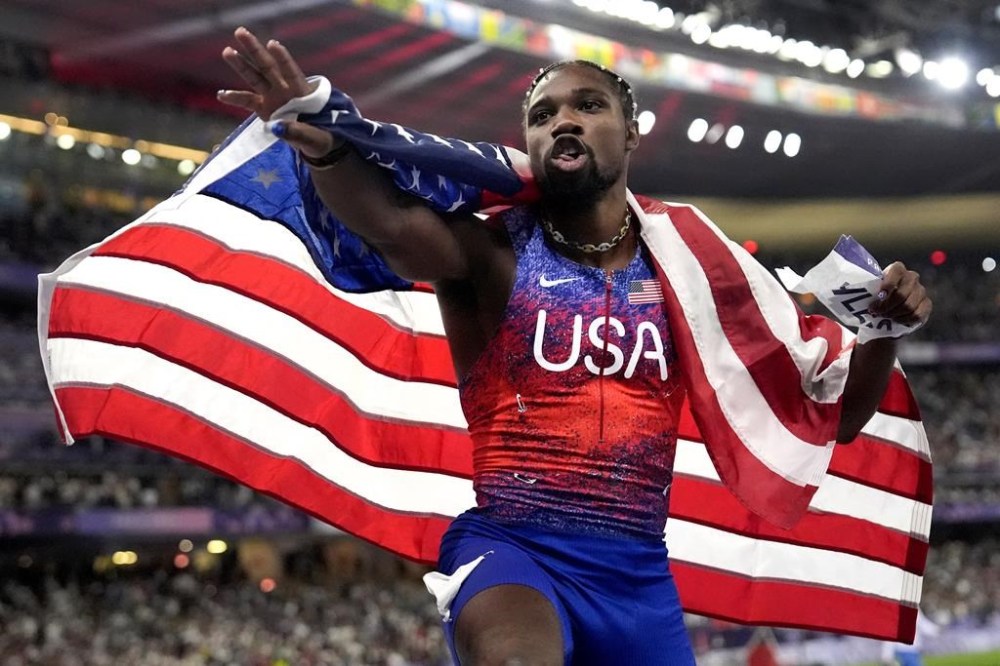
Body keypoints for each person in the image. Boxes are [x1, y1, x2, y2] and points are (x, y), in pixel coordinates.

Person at [217, 27, 932, 665]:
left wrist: (880, 332)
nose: (563, 119)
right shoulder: (492, 253)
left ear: (631, 134)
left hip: (638, 581)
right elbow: (393, 227)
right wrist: (331, 145)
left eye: (588, 105)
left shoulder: (696, 277)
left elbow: (832, 418)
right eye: (542, 113)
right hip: (513, 551)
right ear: (528, 144)